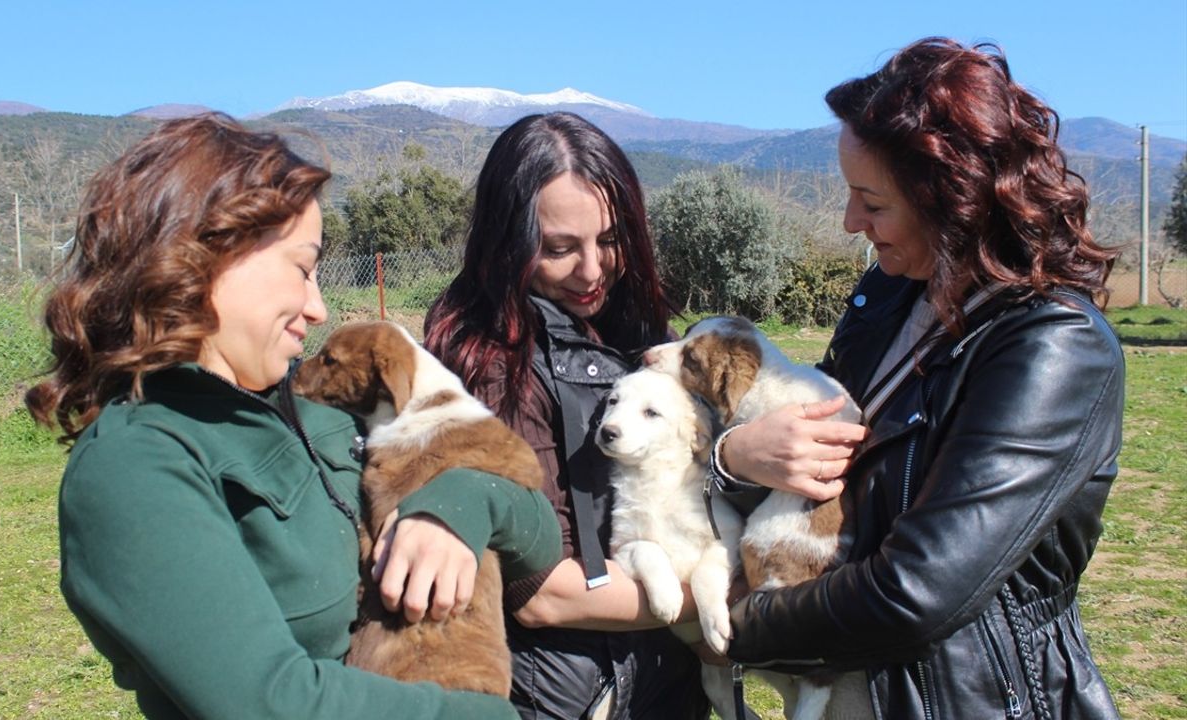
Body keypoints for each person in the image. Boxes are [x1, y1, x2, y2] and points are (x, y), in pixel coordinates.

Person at [24, 114, 561, 720]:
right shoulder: (135, 466)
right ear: (206, 256)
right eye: (303, 269)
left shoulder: (313, 404)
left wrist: (459, 503)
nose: (318, 306)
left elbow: (538, 536)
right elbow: (271, 702)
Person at [718, 38, 1124, 718]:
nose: (852, 224)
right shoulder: (890, 297)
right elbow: (804, 453)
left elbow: (915, 591)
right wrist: (734, 459)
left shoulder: (1055, 347)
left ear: (952, 199)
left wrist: (728, 629)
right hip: (848, 686)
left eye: (871, 202)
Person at [424, 112, 710, 719]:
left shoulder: (633, 331)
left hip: (658, 687)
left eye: (609, 241)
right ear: (508, 244)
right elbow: (543, 594)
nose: (590, 270)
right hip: (562, 696)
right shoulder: (494, 364)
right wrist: (723, 597)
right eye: (558, 249)